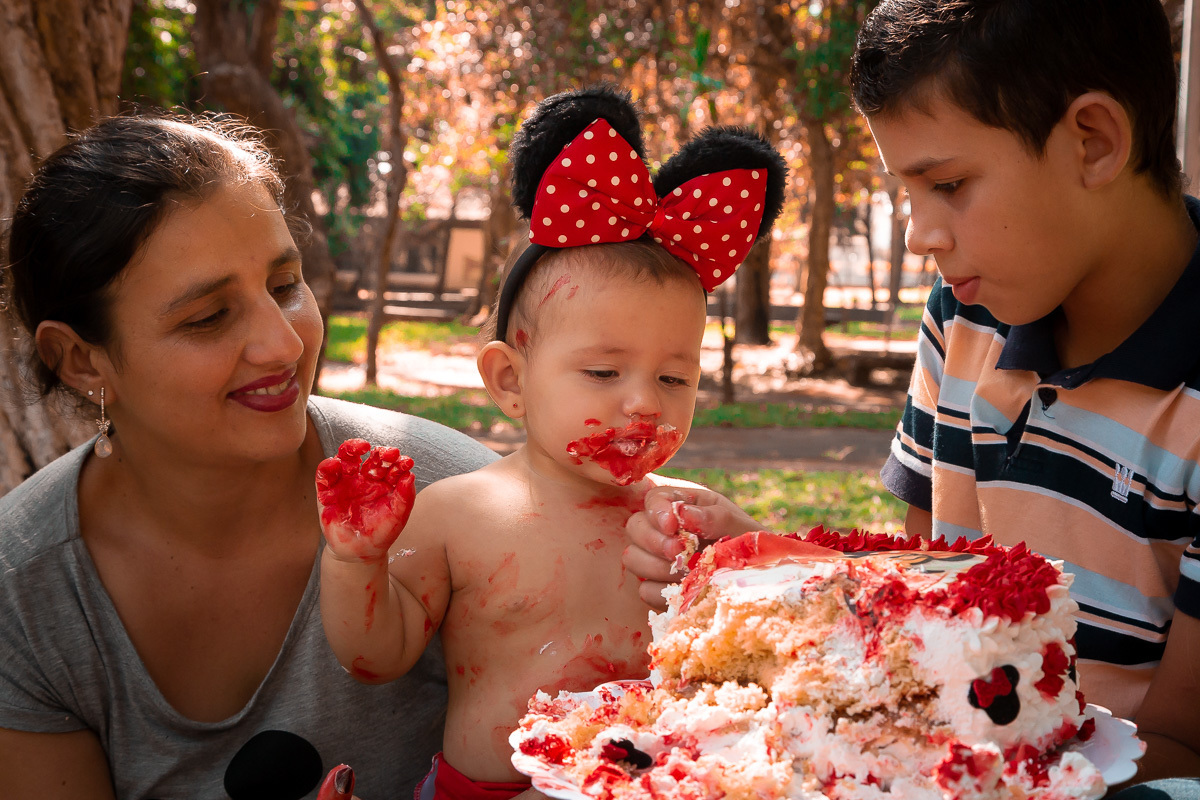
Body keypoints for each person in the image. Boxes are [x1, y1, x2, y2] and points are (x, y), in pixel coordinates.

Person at [626, 0, 1200, 789]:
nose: (917, 235)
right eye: (906, 192)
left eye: (949, 184)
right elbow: (918, 602)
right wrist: (773, 571)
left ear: (1093, 142)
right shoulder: (967, 315)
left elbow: (1180, 748)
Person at [0, 114, 498, 800]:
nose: (283, 345)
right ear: (82, 360)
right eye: (207, 318)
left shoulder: (453, 498)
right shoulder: (22, 590)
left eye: (286, 284)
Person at [316, 86, 786, 796]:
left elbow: (770, 651)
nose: (642, 400)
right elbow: (375, 657)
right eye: (602, 371)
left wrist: (749, 557)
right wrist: (357, 560)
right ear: (511, 379)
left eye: (674, 378)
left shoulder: (685, 524)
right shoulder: (459, 513)